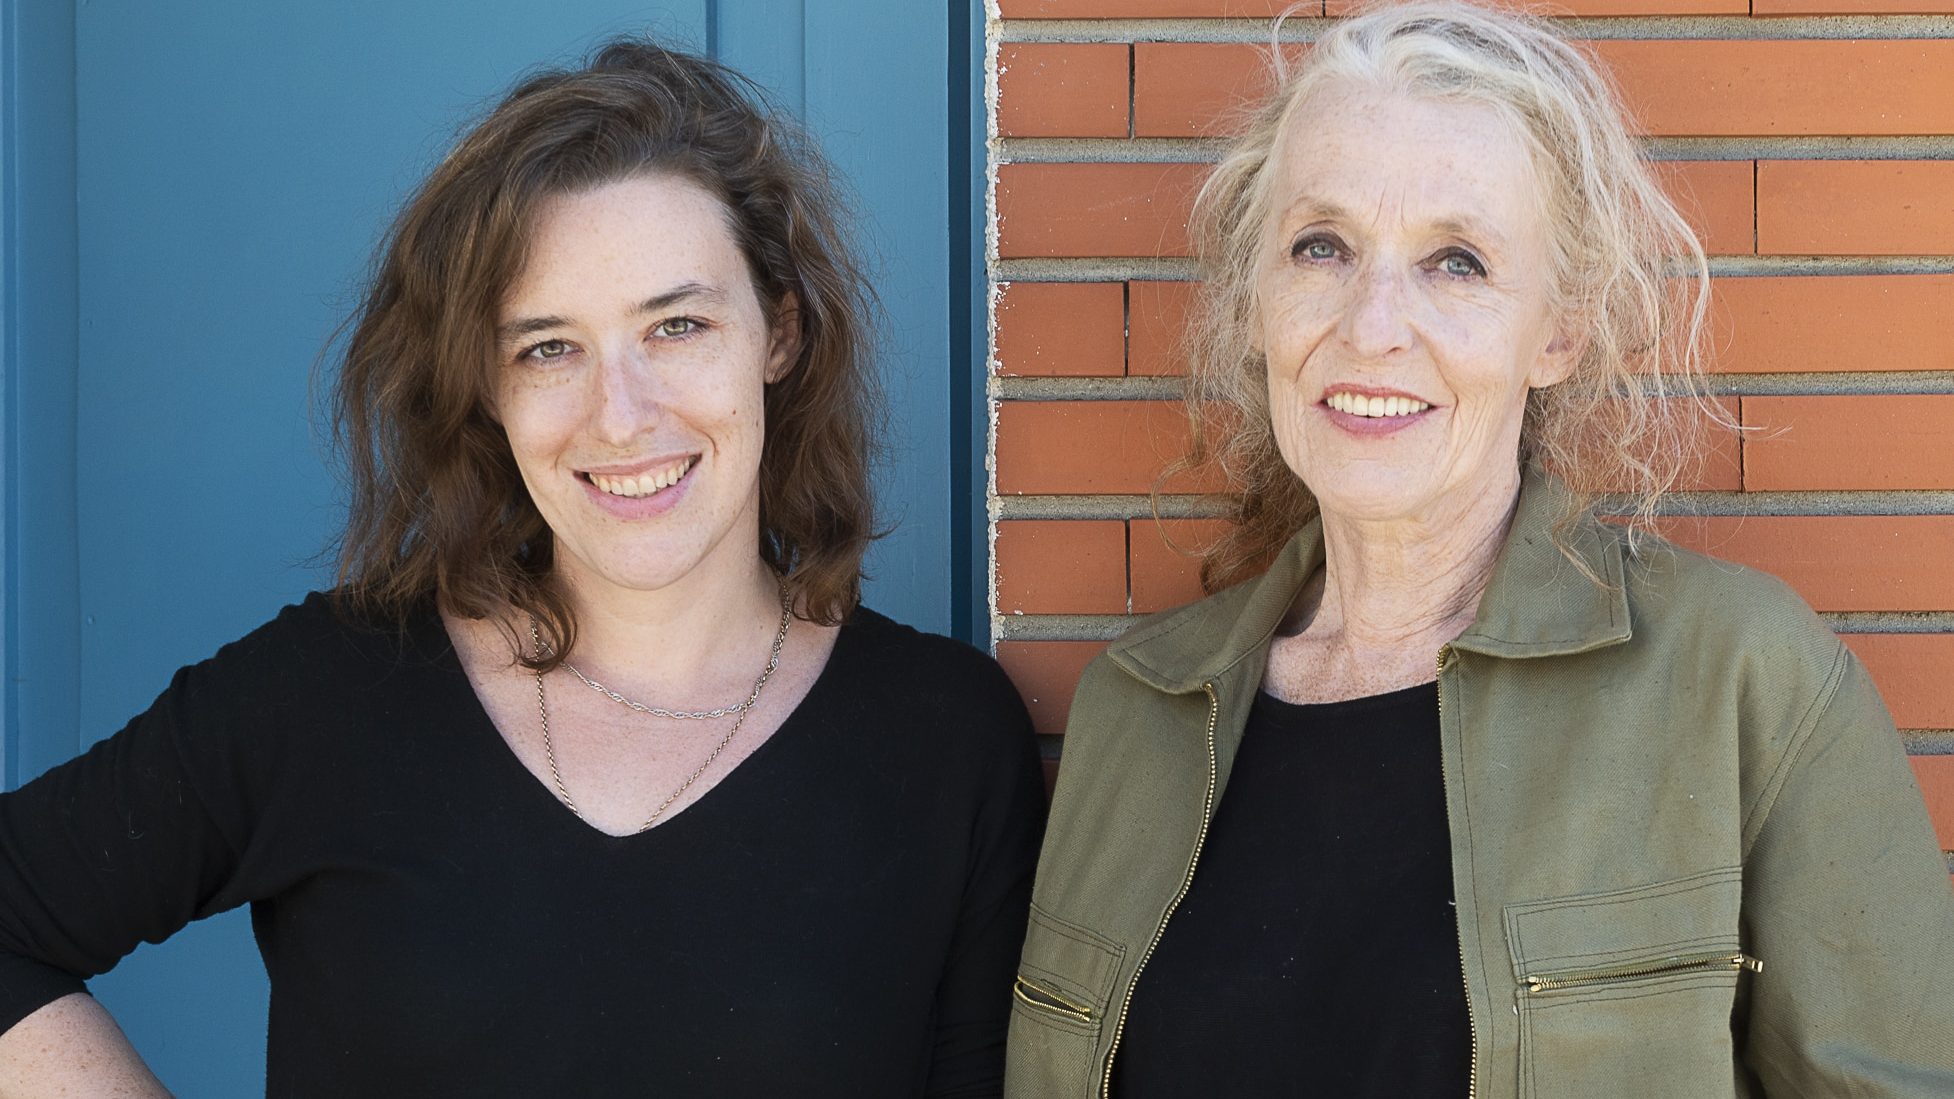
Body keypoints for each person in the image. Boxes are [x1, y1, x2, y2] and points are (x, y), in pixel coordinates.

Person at [0, 39, 1043, 1097]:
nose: (621, 416)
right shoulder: (331, 693)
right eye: (548, 347)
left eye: (675, 325)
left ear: (777, 332)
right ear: (485, 386)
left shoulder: (941, 741)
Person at [1003, 3, 1954, 1096]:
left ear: (1556, 331)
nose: (1370, 326)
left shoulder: (1738, 683)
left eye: (1455, 262)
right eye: (1322, 246)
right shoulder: (1138, 713)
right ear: (1255, 300)